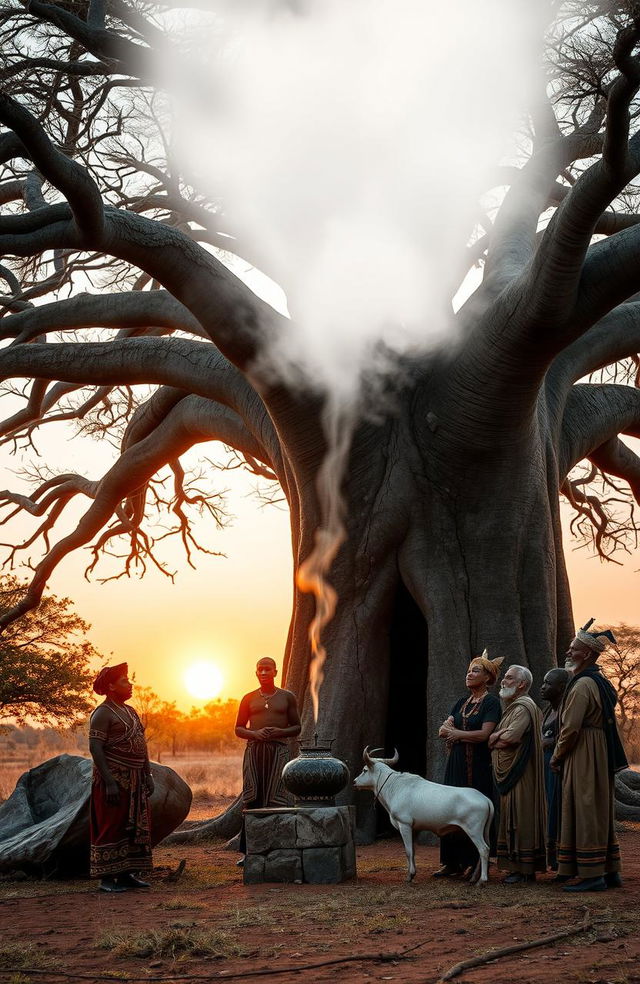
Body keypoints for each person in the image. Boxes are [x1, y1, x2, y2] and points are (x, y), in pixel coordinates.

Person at [550, 621, 628, 892]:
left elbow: (570, 728)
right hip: (599, 750)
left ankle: (592, 875)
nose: (569, 653)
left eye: (573, 649)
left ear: (586, 654)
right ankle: (609, 871)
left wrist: (557, 755)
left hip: (584, 751)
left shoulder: (583, 684)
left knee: (584, 809)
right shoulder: (600, 681)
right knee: (597, 809)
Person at [435, 651, 503, 878]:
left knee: (472, 811)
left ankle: (475, 861)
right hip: (456, 762)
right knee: (449, 809)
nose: (469, 674)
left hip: (478, 764)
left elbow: (484, 735)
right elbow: (442, 730)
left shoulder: (492, 703)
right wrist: (452, 732)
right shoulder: (461, 702)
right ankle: (451, 862)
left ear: (487, 677)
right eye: (468, 671)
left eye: (475, 670)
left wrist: (455, 733)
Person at [89, 663, 154, 893]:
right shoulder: (102, 713)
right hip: (114, 781)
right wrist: (109, 782)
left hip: (136, 779)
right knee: (111, 825)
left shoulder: (131, 711)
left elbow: (142, 745)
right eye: (125, 681)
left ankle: (127, 875)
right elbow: (95, 748)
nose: (130, 684)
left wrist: (147, 774)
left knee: (132, 828)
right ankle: (107, 879)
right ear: (111, 686)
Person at [235, 657, 301, 862]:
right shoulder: (248, 698)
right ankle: (249, 853)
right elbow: (238, 728)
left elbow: (297, 727)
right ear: (255, 672)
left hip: (279, 753)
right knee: (253, 798)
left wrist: (279, 731)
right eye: (260, 670)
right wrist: (255, 734)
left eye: (267, 670)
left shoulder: (287, 697)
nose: (263, 673)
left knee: (278, 798)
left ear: (275, 672)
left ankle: (279, 849)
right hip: (254, 753)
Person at [489, 665, 546, 884]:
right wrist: (497, 736)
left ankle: (524, 868)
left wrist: (494, 737)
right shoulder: (513, 708)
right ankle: (516, 867)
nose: (503, 681)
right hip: (511, 773)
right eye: (504, 677)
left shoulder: (523, 707)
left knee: (521, 815)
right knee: (512, 814)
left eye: (509, 678)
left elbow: (511, 738)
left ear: (522, 684)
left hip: (522, 773)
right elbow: (504, 737)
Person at [540, 667, 570, 870]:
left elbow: (568, 735)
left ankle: (563, 859)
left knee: (558, 808)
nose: (543, 687)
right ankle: (551, 858)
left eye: (548, 683)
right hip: (544, 765)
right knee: (548, 807)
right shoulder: (547, 710)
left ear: (561, 687)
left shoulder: (566, 709)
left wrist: (547, 742)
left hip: (558, 765)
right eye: (543, 682)